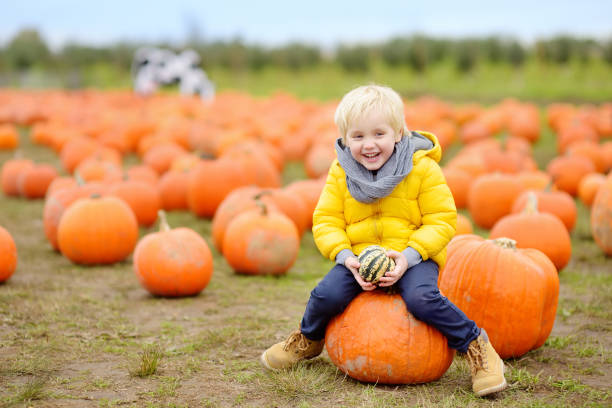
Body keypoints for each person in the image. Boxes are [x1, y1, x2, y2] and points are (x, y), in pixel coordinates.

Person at [260, 84, 507, 397]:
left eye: (379, 134)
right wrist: (344, 256)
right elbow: (326, 220)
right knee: (326, 295)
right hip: (360, 258)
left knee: (421, 299)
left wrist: (409, 256)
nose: (369, 145)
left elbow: (442, 219)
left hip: (413, 254)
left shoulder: (423, 169)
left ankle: (477, 347)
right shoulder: (341, 173)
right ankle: (308, 340)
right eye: (358, 136)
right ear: (344, 139)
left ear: (399, 133)